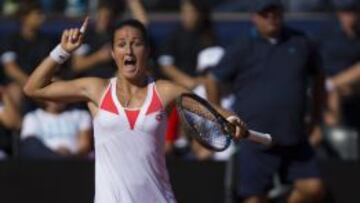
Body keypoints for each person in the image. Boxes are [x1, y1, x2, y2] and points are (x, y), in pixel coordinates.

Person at [23, 18, 247, 202]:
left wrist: (234, 120)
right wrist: (62, 50)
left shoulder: (164, 91)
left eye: (136, 43)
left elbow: (214, 111)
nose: (128, 50)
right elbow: (33, 88)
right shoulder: (96, 89)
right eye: (121, 44)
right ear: (113, 53)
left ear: (147, 51)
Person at [206, 0, 325, 202]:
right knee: (253, 199)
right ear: (255, 17)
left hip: (294, 135)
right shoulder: (241, 46)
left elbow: (319, 78)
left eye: (275, 12)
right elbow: (212, 79)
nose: (272, 17)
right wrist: (218, 117)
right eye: (265, 13)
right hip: (254, 136)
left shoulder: (302, 41)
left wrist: (315, 120)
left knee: (314, 188)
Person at [317, 0, 360, 134]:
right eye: (346, 13)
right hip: (329, 83)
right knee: (333, 90)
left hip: (353, 83)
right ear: (340, 15)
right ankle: (333, 132)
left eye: (353, 13)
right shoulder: (327, 34)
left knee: (334, 86)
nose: (350, 17)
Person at [1, 2, 51, 113]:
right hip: (19, 83)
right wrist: (31, 86)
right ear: (24, 17)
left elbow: (48, 67)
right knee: (15, 92)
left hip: (40, 82)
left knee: (57, 86)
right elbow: (11, 70)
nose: (42, 18)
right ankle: (18, 129)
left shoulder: (46, 41)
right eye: (37, 14)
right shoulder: (10, 40)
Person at [158, 0, 217, 90]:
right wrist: (188, 81)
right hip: (179, 87)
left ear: (200, 13)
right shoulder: (174, 37)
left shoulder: (209, 37)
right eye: (184, 11)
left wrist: (205, 81)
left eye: (191, 11)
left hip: (204, 86)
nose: (186, 15)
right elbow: (166, 65)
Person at [19, 97, 92, 159]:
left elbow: (85, 145)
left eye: (61, 94)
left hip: (75, 162)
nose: (57, 97)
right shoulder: (32, 117)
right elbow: (30, 145)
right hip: (43, 162)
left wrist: (69, 157)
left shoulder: (80, 115)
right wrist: (56, 155)